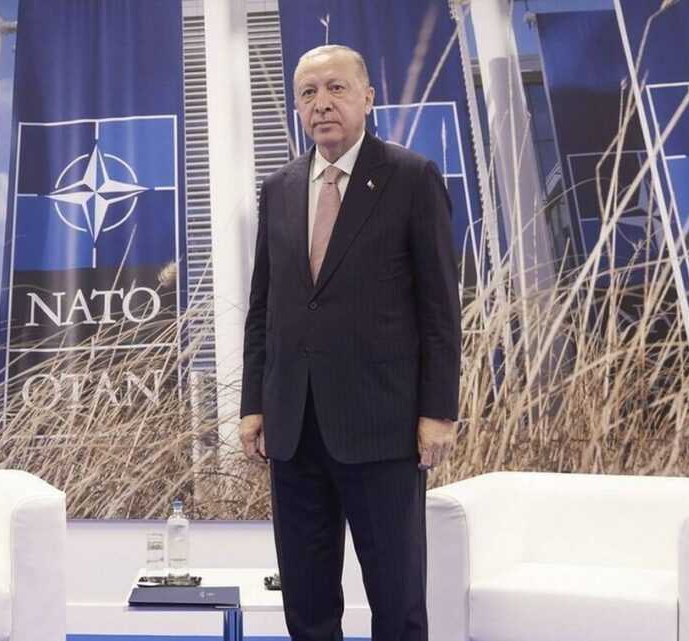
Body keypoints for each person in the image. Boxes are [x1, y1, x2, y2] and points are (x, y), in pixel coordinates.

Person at [239, 44, 460, 641]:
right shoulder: (280, 188)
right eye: (308, 93)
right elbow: (264, 307)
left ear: (367, 97)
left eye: (335, 88)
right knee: (307, 604)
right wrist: (254, 404)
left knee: (397, 601)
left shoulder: (410, 177)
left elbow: (440, 309)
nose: (321, 103)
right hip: (294, 427)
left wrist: (439, 412)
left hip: (383, 427)